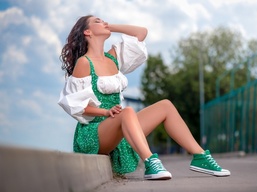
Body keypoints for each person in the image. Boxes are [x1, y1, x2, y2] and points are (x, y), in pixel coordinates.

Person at [58, 15, 230, 180]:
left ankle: (200, 156)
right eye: (97, 21)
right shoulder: (84, 63)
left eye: (103, 20)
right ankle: (150, 162)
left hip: (119, 123)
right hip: (95, 132)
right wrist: (105, 112)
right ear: (87, 32)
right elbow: (78, 105)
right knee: (127, 112)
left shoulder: (113, 57)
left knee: (166, 106)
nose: (103, 22)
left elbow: (141, 33)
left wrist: (109, 26)